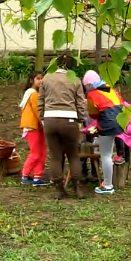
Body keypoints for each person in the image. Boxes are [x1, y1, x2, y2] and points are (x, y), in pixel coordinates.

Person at [38, 55, 89, 199]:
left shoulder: (47, 78)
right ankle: (78, 189)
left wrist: (42, 117)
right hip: (69, 120)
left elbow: (40, 100)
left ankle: (59, 189)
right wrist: (80, 120)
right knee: (73, 155)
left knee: (55, 156)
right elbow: (80, 103)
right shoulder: (75, 80)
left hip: (50, 119)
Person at [82, 70, 125, 195]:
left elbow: (93, 114)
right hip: (119, 121)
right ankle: (108, 183)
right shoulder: (112, 90)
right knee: (106, 147)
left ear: (88, 85)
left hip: (107, 124)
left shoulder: (92, 94)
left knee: (105, 155)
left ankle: (107, 185)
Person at [19, 71, 50, 186]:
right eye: (38, 78)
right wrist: (45, 124)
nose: (41, 81)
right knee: (36, 153)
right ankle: (25, 175)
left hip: (37, 127)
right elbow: (38, 111)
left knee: (42, 152)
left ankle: (37, 177)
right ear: (32, 80)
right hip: (32, 127)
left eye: (42, 78)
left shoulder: (34, 93)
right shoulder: (32, 94)